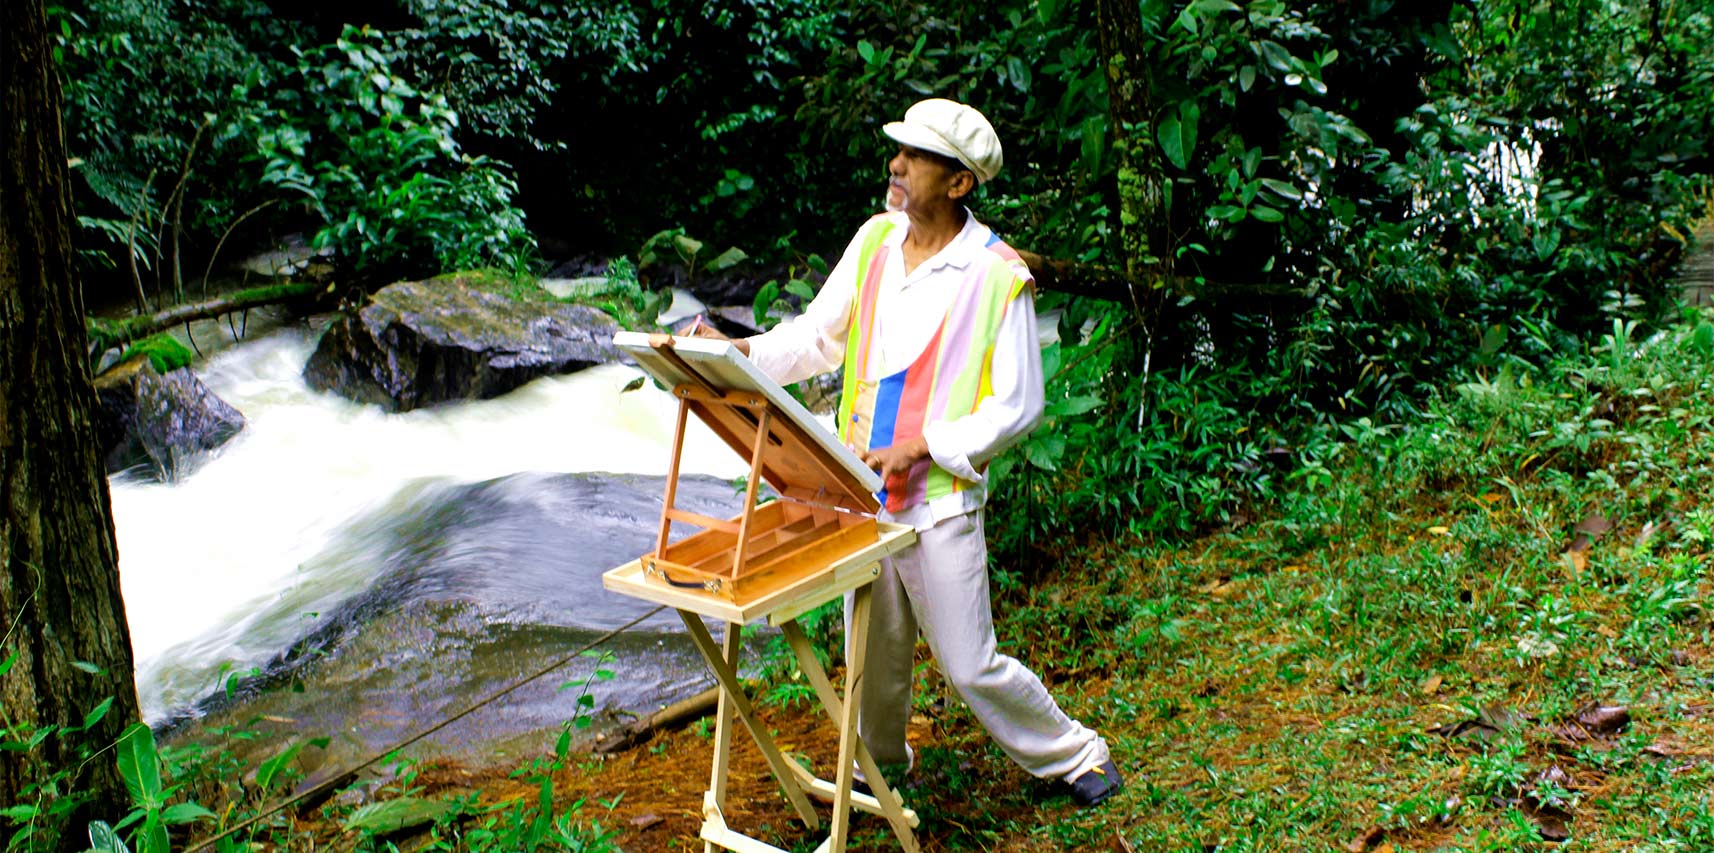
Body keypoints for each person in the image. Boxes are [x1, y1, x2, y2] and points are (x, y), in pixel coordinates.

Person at [688, 98, 1121, 807]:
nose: (897, 164)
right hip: (862, 485)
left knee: (968, 661)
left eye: (916, 157)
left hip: (940, 499)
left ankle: (1076, 752)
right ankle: (880, 764)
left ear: (958, 184)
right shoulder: (874, 243)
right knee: (877, 648)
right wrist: (738, 352)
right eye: (900, 151)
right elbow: (815, 338)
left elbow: (1020, 404)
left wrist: (927, 446)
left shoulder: (996, 275)